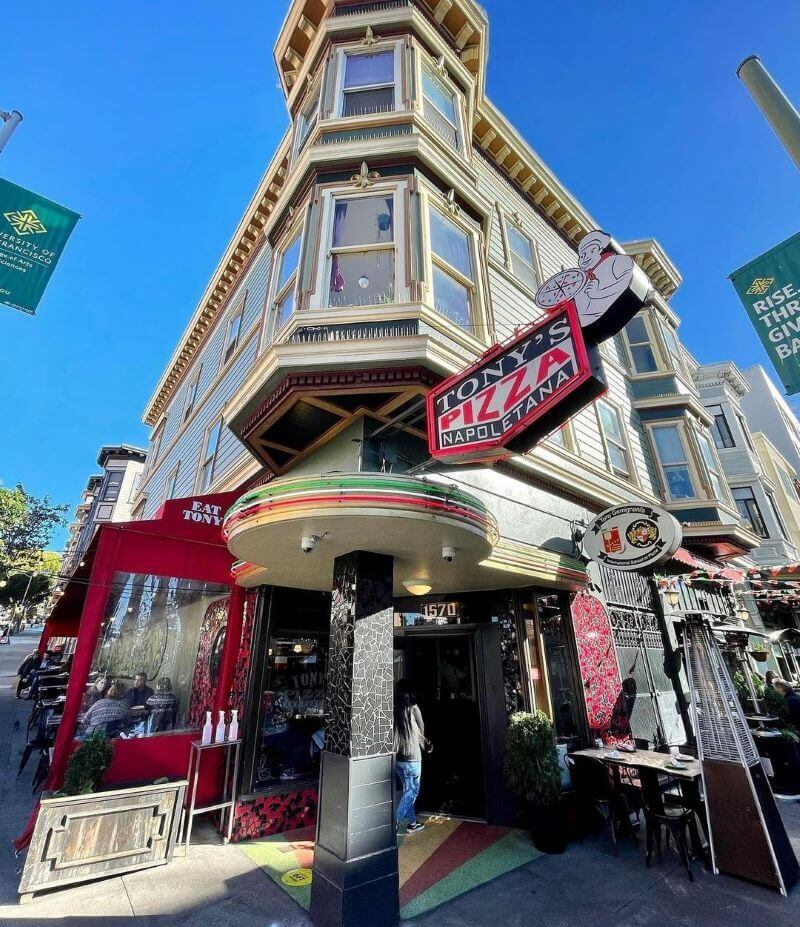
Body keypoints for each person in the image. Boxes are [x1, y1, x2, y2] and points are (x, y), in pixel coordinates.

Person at [394, 680, 426, 834]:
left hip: (398, 759)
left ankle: (412, 823)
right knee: (412, 792)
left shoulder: (394, 710)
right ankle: (395, 822)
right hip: (412, 757)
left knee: (408, 791)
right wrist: (426, 746)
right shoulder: (413, 708)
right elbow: (421, 730)